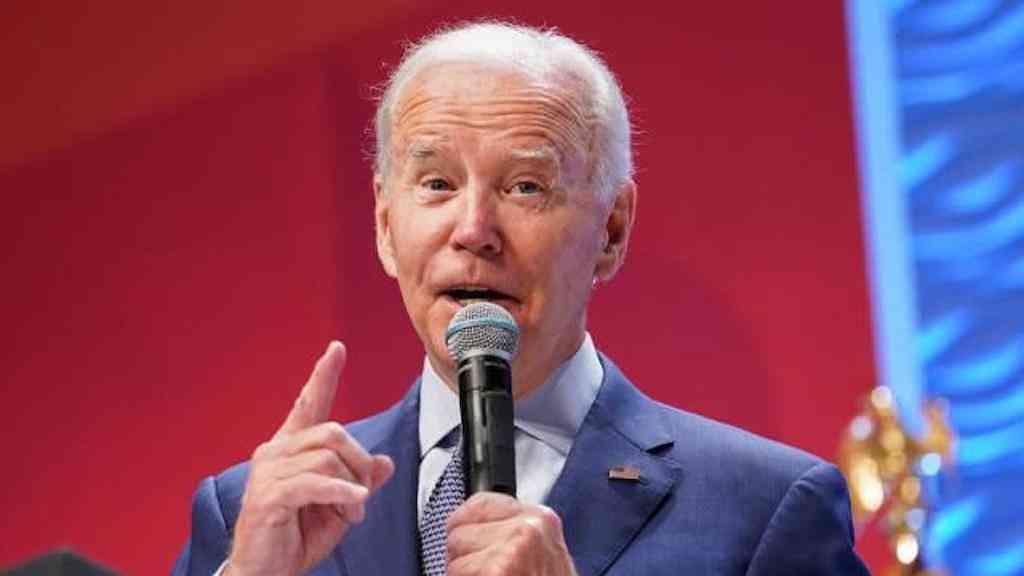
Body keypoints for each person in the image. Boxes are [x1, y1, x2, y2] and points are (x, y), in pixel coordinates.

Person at [173, 21, 870, 576]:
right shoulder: (253, 515)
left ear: (611, 231)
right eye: (438, 185)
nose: (474, 230)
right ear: (385, 225)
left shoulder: (767, 509)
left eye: (525, 187)